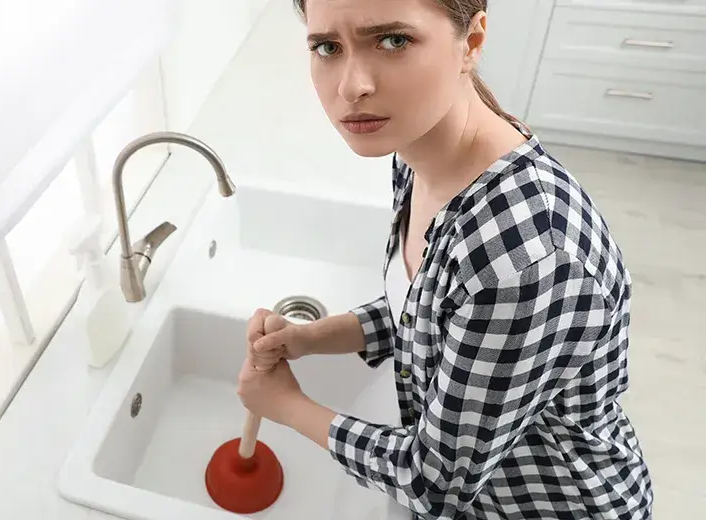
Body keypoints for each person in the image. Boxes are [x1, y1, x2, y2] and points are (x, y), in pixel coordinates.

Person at [236, 0, 654, 518]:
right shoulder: (416, 154)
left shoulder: (528, 262)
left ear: (472, 40)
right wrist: (313, 337)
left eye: (393, 40)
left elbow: (433, 481)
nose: (351, 86)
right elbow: (426, 313)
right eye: (328, 47)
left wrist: (286, 407)